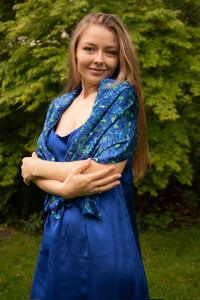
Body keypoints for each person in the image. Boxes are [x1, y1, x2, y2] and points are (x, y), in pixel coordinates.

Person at [21, 13, 150, 300]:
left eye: (111, 52)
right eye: (90, 48)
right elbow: (46, 171)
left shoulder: (120, 97)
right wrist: (62, 187)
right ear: (75, 50)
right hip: (56, 235)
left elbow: (101, 172)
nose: (99, 59)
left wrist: (33, 167)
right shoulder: (59, 105)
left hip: (102, 235)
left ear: (120, 58)